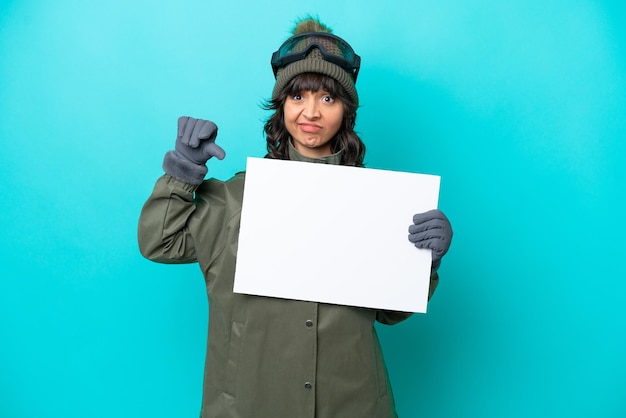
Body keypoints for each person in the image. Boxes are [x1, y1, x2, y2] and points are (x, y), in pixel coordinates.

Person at [138, 17, 452, 418]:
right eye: (299, 96)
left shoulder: (377, 205)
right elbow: (158, 241)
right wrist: (182, 171)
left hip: (353, 405)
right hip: (248, 406)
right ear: (281, 105)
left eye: (327, 98)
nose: (311, 112)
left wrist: (427, 260)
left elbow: (390, 313)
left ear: (346, 110)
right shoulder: (237, 197)